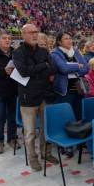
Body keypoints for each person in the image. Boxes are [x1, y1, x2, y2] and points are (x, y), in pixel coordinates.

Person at [13, 24, 58, 171]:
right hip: (28, 98)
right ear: (23, 34)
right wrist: (42, 66)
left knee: (46, 128)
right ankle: (33, 158)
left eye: (36, 32)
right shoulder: (18, 53)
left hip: (45, 95)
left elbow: (53, 69)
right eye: (31, 32)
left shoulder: (44, 51)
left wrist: (40, 68)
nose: (34, 35)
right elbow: (24, 72)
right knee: (30, 132)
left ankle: (46, 153)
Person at [50, 31, 89, 124]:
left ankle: (79, 135)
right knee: (66, 118)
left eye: (70, 38)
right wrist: (77, 66)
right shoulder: (55, 53)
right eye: (66, 38)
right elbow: (63, 68)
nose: (69, 40)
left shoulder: (75, 51)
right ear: (59, 41)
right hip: (65, 91)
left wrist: (71, 69)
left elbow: (86, 68)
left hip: (79, 89)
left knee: (79, 116)